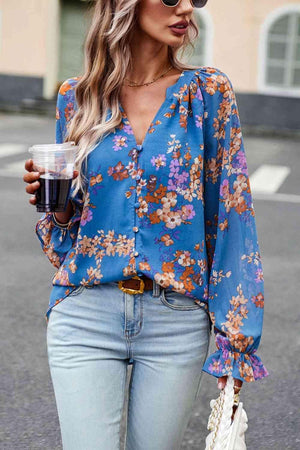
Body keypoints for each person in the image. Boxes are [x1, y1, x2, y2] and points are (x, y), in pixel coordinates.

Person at [23, 0, 269, 449]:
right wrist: (56, 208)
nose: (186, 8)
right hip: (85, 311)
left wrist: (236, 344)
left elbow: (233, 219)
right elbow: (67, 237)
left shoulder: (208, 94)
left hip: (175, 320)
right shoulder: (77, 98)